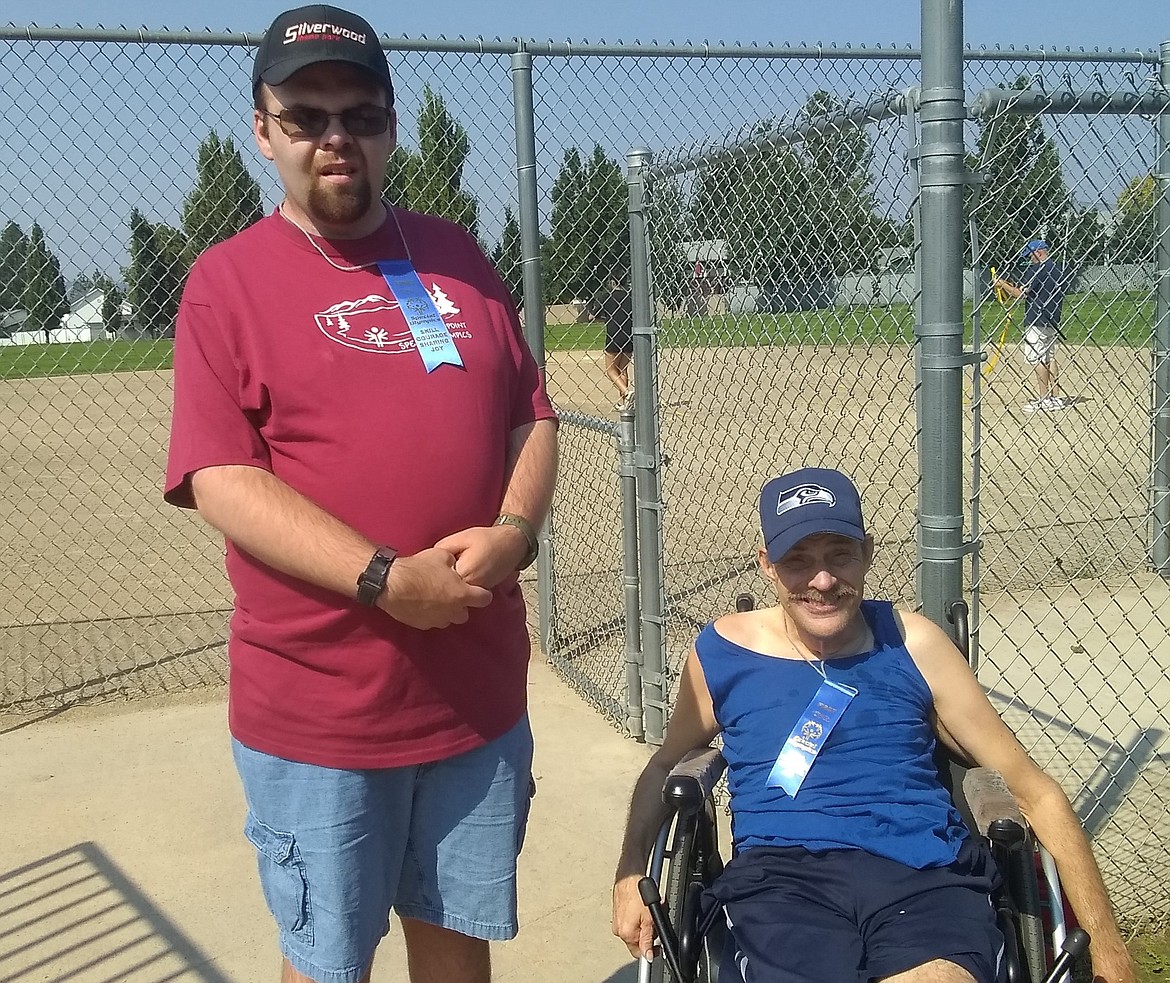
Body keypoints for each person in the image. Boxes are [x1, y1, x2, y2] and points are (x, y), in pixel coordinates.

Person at [163, 6, 558, 982]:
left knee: (458, 940)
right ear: (264, 129)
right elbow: (220, 477)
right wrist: (386, 579)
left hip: (475, 693)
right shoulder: (227, 284)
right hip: (324, 709)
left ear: (389, 126)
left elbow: (530, 412)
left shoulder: (456, 256)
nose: (335, 138)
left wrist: (514, 526)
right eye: (306, 116)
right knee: (327, 958)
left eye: (360, 113)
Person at [612, 467, 1134, 983]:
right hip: (782, 882)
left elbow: (1035, 791)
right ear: (767, 565)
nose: (822, 580)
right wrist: (631, 869)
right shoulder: (723, 651)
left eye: (839, 554)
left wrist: (1111, 959)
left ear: (867, 552)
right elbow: (665, 764)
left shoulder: (916, 643)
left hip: (923, 875)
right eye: (798, 560)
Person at [992, 240, 1072, 414]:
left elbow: (1020, 294)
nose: (1030, 260)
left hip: (1037, 319)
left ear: (1039, 252)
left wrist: (1002, 284)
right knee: (1049, 357)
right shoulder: (1057, 269)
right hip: (1052, 319)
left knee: (1038, 358)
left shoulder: (1038, 270)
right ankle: (1056, 398)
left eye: (1031, 256)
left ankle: (1044, 399)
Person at [590, 272, 634, 411]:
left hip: (614, 337)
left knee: (611, 370)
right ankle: (626, 403)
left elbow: (592, 316)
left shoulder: (607, 297)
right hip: (629, 337)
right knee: (623, 370)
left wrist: (606, 318)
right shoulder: (631, 297)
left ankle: (627, 393)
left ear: (613, 282)